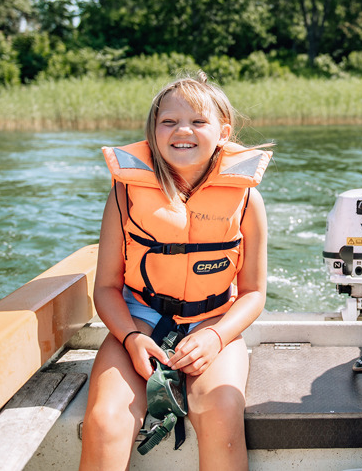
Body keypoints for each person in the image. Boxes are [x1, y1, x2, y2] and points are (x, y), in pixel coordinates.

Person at [79, 72, 271, 470]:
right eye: (169, 121)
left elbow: (253, 293)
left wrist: (216, 337)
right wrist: (131, 338)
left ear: (223, 132)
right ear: (153, 133)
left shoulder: (246, 199)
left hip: (213, 323)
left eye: (198, 121)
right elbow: (106, 288)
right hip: (139, 320)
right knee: (105, 420)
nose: (183, 130)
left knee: (222, 410)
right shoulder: (124, 193)